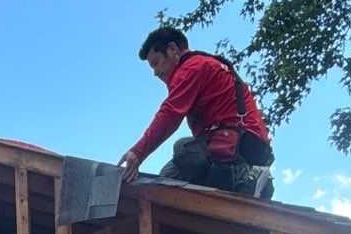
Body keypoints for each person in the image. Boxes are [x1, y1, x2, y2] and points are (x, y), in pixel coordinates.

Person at [116, 25, 276, 198]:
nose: (156, 73)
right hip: (248, 141)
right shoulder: (206, 64)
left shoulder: (191, 68)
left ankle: (246, 178)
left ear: (172, 49)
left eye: (156, 63)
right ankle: (245, 178)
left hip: (238, 143)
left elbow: (170, 113)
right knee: (181, 147)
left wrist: (138, 152)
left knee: (163, 187)